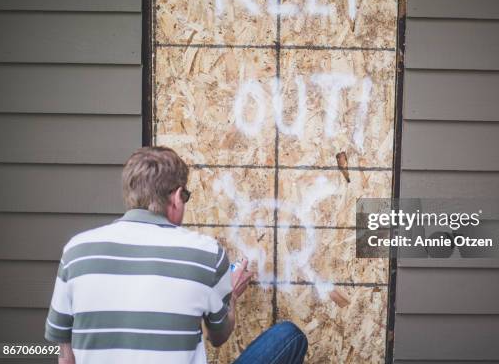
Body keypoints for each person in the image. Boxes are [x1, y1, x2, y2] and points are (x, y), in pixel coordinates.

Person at [44, 146, 308, 364]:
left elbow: (66, 357)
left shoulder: (76, 252)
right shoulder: (204, 253)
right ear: (178, 196)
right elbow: (218, 336)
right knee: (289, 336)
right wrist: (232, 297)